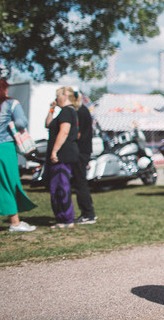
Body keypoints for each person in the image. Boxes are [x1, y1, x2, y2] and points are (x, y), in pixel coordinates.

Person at [0, 78, 37, 233]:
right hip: (3, 148)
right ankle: (14, 222)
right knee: (9, 182)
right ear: (2, 90)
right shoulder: (11, 104)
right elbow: (21, 123)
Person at [44, 86, 81, 229]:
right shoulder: (65, 112)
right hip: (62, 155)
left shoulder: (67, 112)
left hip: (63, 155)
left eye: (57, 95)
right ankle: (62, 218)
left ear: (64, 96)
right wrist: (51, 109)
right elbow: (48, 124)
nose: (56, 98)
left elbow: (64, 132)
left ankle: (66, 219)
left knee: (60, 187)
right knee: (56, 186)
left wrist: (54, 151)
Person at [72, 91, 97, 225]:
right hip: (84, 151)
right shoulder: (84, 111)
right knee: (82, 183)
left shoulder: (80, 112)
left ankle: (88, 214)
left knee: (80, 183)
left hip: (81, 151)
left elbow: (78, 134)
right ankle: (88, 212)